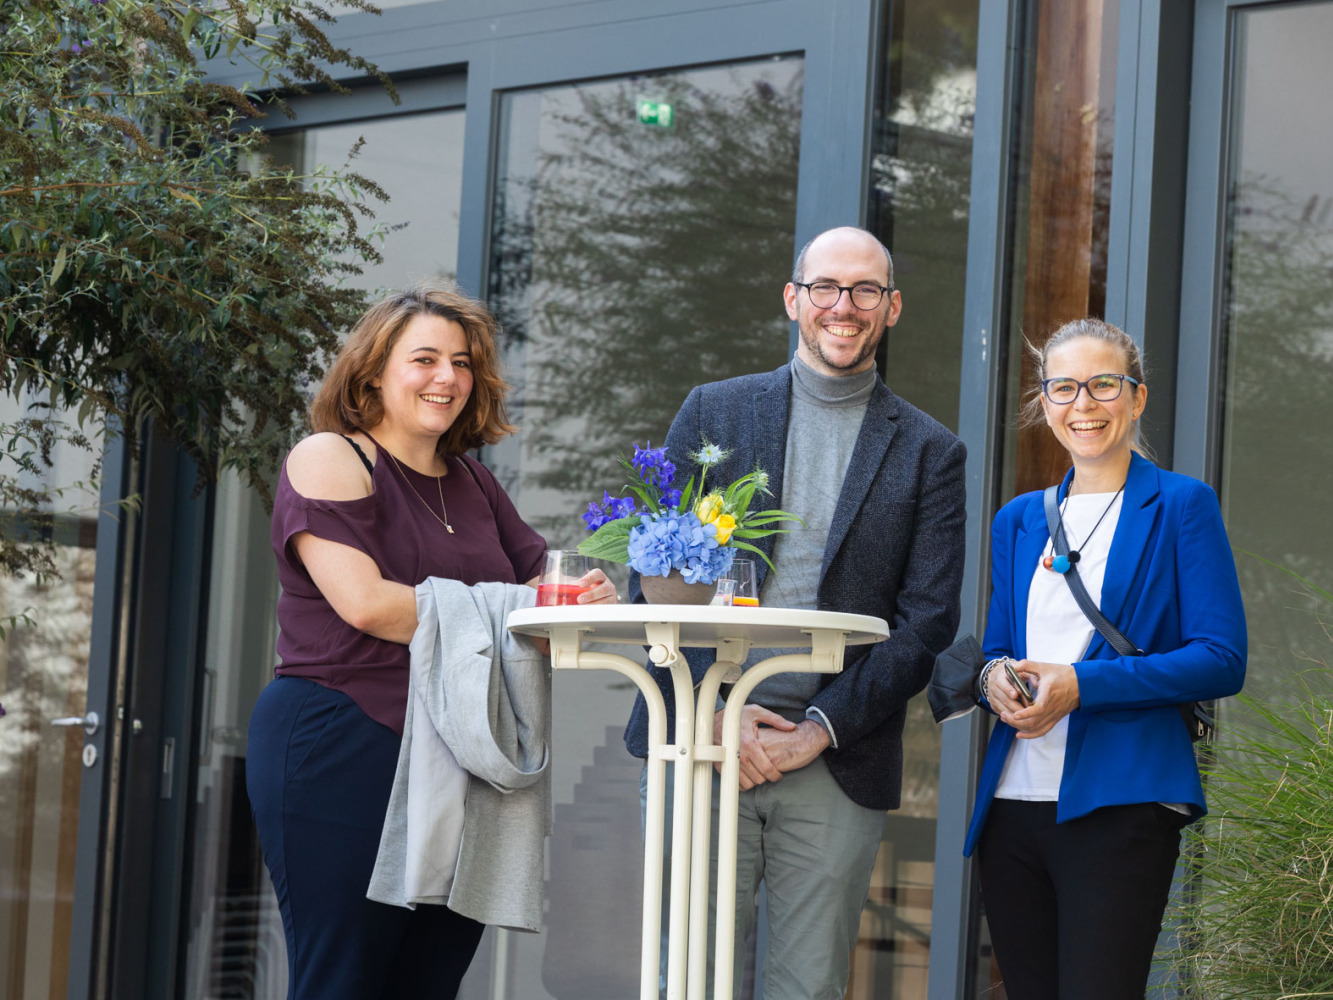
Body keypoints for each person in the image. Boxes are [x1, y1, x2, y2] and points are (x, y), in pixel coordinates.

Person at [624, 227, 968, 998]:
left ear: (892, 308)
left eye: (865, 291)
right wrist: (721, 710)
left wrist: (817, 730)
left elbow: (926, 624)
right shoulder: (714, 412)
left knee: (807, 988)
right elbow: (649, 577)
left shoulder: (929, 451)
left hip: (834, 757)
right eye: (826, 288)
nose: (843, 307)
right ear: (794, 298)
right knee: (688, 980)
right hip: (703, 741)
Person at [245, 287, 615, 999]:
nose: (447, 377)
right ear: (372, 372)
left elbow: (542, 592)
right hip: (343, 741)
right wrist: (521, 608)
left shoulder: (474, 482)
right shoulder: (331, 457)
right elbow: (367, 605)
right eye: (424, 359)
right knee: (343, 980)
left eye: (462, 362)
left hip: (459, 749)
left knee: (430, 981)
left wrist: (584, 597)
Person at [965, 318, 1247, 999]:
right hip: (1013, 805)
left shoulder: (1181, 505)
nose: (1083, 405)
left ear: (1137, 397)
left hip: (1121, 803)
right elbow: (1000, 646)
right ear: (1043, 401)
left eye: (1103, 385)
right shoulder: (1019, 519)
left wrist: (1081, 686)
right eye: (1063, 388)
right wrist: (993, 680)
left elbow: (1220, 659)